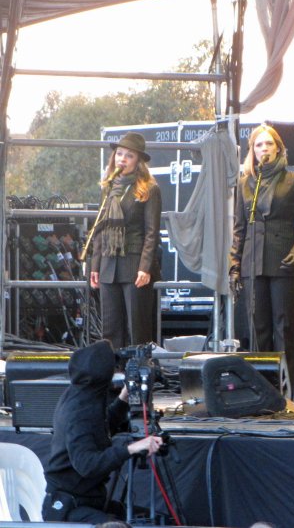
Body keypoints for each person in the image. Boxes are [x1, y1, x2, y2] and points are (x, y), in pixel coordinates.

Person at [229, 124, 294, 386]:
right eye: (258, 145)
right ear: (252, 152)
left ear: (278, 148)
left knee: (283, 328)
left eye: (268, 144)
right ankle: (262, 388)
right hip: (252, 264)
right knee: (258, 330)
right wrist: (234, 264)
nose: (263, 149)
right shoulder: (245, 184)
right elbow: (239, 229)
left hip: (284, 264)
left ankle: (285, 390)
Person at [43, 340, 163, 523]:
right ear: (103, 374)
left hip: (89, 499)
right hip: (71, 506)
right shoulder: (79, 412)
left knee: (157, 519)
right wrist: (130, 449)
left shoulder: (83, 394)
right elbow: (87, 465)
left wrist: (124, 398)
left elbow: (100, 428)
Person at [90, 132, 162, 349]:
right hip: (109, 263)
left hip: (134, 264)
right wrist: (95, 265)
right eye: (119, 154)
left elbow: (152, 232)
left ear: (138, 161)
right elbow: (101, 228)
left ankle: (136, 377)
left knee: (136, 328)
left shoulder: (149, 189)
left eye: (129, 155)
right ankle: (113, 376)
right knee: (110, 329)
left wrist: (145, 267)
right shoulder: (109, 188)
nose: (122, 158)